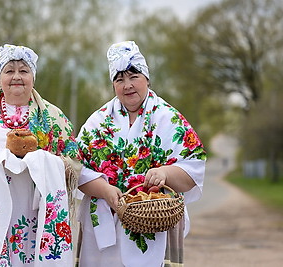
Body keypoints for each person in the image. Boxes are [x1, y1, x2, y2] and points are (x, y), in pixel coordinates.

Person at [0, 44, 81, 267]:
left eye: (24, 70)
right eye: (9, 71)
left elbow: (74, 161)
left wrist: (44, 161)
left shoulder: (53, 116)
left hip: (39, 213)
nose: (16, 77)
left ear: (33, 78)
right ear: (0, 78)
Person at [76, 41, 207, 267]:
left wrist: (164, 173)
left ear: (147, 78)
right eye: (119, 79)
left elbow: (195, 168)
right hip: (103, 225)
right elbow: (76, 168)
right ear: (113, 85)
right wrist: (105, 190)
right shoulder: (97, 122)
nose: (127, 85)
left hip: (156, 224)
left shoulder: (169, 119)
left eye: (133, 76)